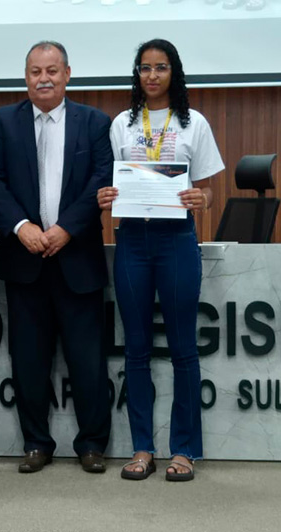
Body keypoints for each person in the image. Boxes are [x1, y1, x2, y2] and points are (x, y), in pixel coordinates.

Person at [0, 41, 113, 474]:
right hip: (25, 260)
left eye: (52, 71)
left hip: (78, 258)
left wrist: (64, 229)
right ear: (25, 76)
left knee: (88, 360)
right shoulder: (5, 121)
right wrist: (22, 228)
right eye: (36, 71)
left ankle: (92, 444)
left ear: (68, 74)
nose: (44, 78)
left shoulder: (94, 122)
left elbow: (101, 177)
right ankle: (36, 442)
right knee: (29, 360)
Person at [97, 38, 224, 481]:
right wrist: (105, 195)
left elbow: (209, 189)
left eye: (161, 67)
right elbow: (110, 181)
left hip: (175, 240)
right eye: (145, 68)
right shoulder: (122, 124)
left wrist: (201, 198)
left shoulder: (194, 123)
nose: (152, 75)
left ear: (174, 73)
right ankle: (142, 448)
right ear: (137, 73)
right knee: (136, 350)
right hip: (132, 238)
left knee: (184, 349)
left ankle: (185, 449)